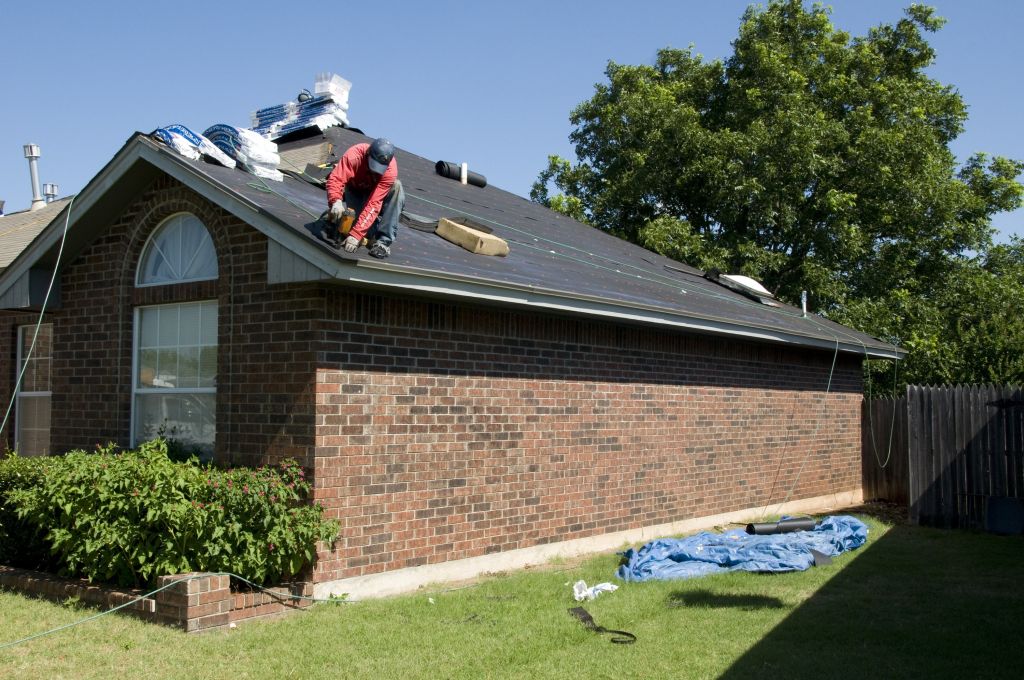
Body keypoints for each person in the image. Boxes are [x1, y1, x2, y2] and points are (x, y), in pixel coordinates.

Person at [325, 137, 405, 259]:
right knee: (356, 227)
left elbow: (374, 203)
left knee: (397, 186)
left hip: (377, 196)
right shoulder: (354, 155)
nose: (375, 171)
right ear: (368, 153)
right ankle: (333, 217)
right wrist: (336, 200)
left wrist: (356, 235)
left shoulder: (390, 170)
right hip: (355, 191)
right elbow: (336, 178)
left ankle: (382, 243)